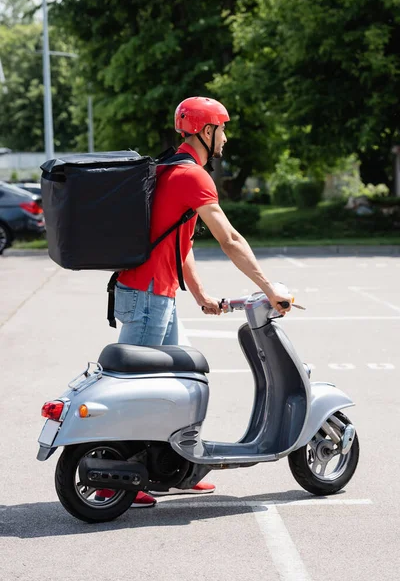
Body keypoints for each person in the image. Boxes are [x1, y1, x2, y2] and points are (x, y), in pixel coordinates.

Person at [96, 96, 292, 508]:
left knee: (183, 383)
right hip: (148, 296)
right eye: (223, 128)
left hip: (155, 294)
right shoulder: (193, 177)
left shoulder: (173, 168)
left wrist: (201, 295)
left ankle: (179, 468)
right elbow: (230, 239)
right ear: (207, 132)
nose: (226, 137)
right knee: (136, 390)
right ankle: (111, 477)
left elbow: (179, 243)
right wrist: (269, 286)